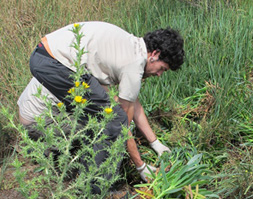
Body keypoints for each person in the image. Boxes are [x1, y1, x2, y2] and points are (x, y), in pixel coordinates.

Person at [18, 21, 185, 190]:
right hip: (44, 98)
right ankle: (96, 189)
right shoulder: (134, 65)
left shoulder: (128, 47)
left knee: (109, 114)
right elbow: (121, 125)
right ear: (154, 54)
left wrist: (155, 143)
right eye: (162, 68)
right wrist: (141, 166)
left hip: (46, 57)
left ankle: (79, 165)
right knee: (113, 120)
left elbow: (132, 102)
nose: (159, 74)